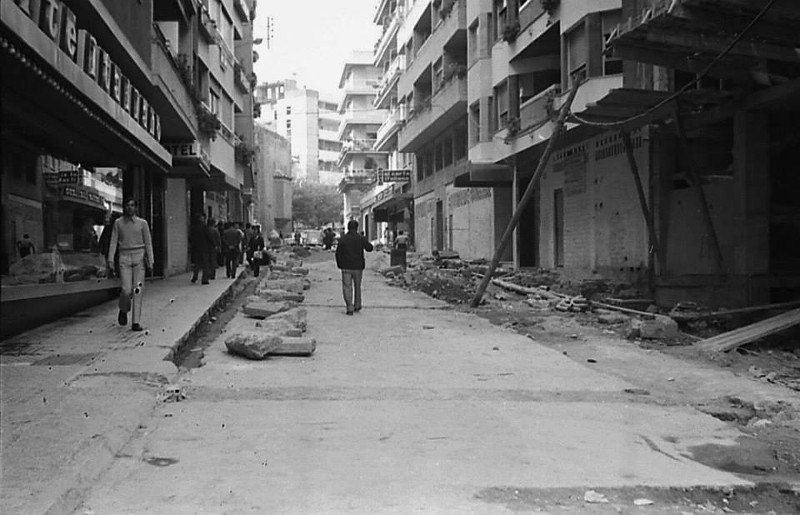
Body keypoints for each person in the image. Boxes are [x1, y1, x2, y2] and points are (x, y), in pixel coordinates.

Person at [108, 198, 153, 331]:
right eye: (127, 205)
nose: (129, 208)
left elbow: (148, 242)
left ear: (136, 208)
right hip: (124, 257)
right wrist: (111, 260)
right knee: (126, 289)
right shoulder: (118, 223)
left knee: (137, 289)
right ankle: (123, 309)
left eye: (132, 205)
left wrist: (151, 260)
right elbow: (113, 241)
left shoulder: (142, 223)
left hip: (139, 257)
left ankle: (136, 322)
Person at [335, 220, 374, 315]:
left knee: (347, 287)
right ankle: (357, 305)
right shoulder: (361, 238)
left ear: (348, 228)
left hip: (346, 267)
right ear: (357, 228)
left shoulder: (343, 239)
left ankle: (349, 307)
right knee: (357, 286)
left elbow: (338, 253)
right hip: (358, 266)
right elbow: (370, 248)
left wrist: (340, 264)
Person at [189, 213, 212, 284]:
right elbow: (209, 237)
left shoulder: (193, 228)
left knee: (197, 263)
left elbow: (190, 238)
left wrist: (193, 245)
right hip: (205, 248)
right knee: (206, 264)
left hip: (196, 248)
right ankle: (204, 279)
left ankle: (195, 277)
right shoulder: (205, 227)